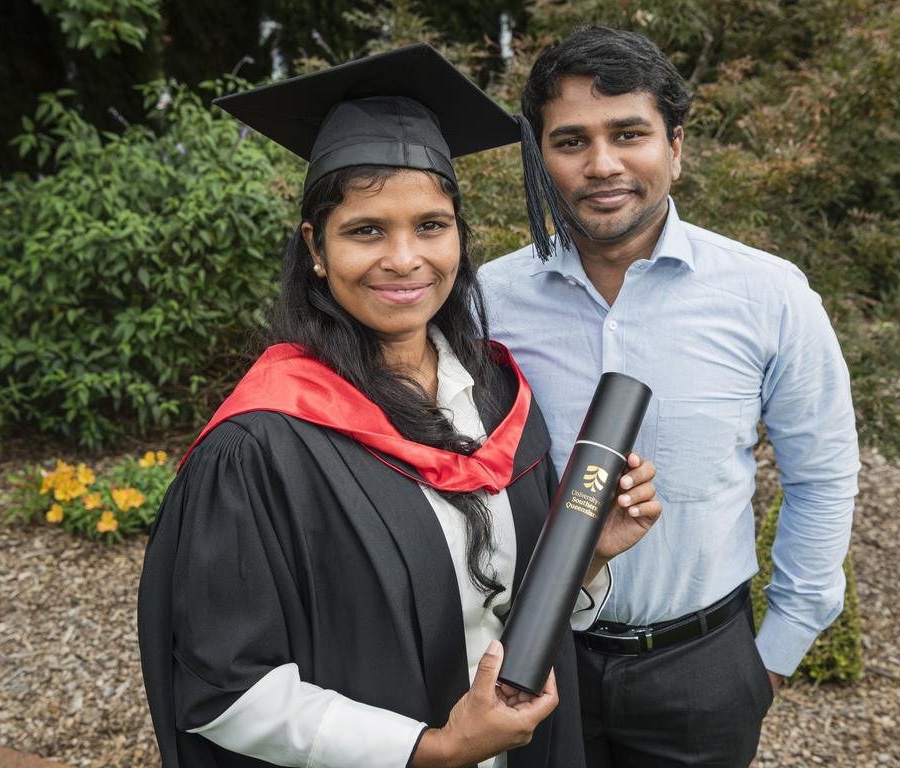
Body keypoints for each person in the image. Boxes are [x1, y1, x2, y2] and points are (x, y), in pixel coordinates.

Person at [138, 44, 663, 768]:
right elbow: (224, 687)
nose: (406, 259)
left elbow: (510, 612)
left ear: (459, 236)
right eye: (365, 231)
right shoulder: (261, 445)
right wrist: (435, 748)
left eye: (430, 225)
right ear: (314, 249)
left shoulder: (497, 394)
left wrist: (587, 559)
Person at [477, 25, 861, 768]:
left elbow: (822, 476)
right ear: (538, 154)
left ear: (676, 145)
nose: (602, 164)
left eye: (629, 133)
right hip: (531, 657)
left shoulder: (769, 295)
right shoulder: (486, 301)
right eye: (570, 141)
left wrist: (774, 652)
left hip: (702, 669)